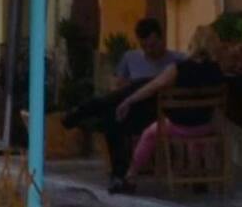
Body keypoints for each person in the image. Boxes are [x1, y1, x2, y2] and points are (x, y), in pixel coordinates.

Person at [71, 17, 172, 191]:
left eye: (153, 45)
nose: (149, 51)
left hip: (158, 113)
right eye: (144, 46)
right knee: (113, 116)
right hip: (132, 110)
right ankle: (119, 176)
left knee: (142, 85)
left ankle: (84, 111)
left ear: (162, 39)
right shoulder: (130, 58)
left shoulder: (176, 60)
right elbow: (117, 85)